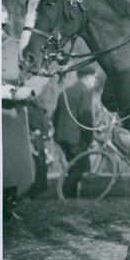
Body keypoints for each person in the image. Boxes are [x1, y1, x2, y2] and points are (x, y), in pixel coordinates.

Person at [2, 5, 47, 219]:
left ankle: (7, 209)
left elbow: (42, 70)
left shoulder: (17, 47)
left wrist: (29, 89)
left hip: (11, 115)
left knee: (10, 166)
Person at [53, 65, 98, 197]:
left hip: (62, 136)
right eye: (94, 78)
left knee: (73, 166)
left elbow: (56, 116)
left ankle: (70, 197)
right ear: (88, 77)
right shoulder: (85, 91)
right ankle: (66, 197)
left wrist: (57, 135)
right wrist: (90, 139)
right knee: (81, 167)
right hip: (75, 137)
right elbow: (85, 117)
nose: (95, 81)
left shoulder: (66, 92)